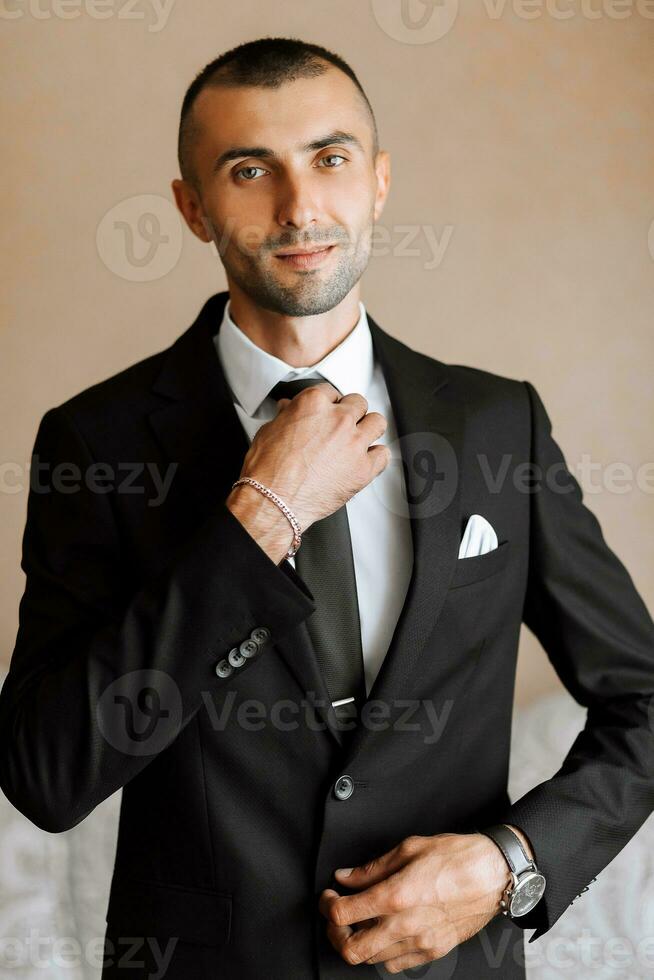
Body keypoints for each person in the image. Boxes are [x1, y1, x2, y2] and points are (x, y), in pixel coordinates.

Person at [1, 36, 653, 980]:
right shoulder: (95, 445)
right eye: (249, 168)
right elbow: (47, 776)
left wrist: (511, 862)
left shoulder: (494, 425)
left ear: (379, 181)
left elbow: (641, 697)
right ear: (191, 207)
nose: (300, 207)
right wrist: (257, 519)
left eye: (331, 158)